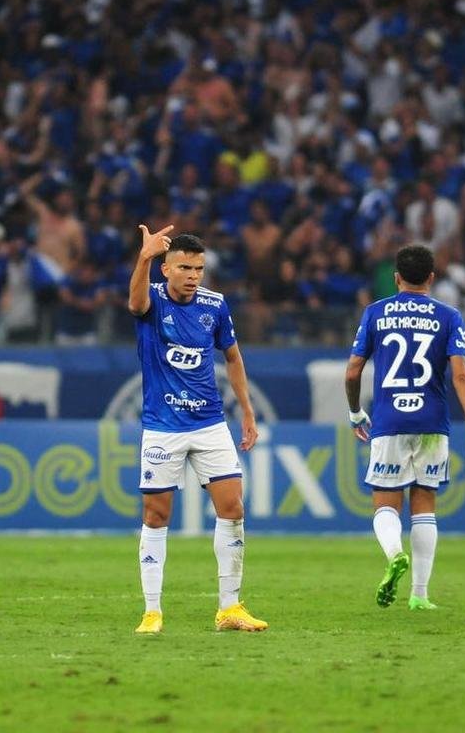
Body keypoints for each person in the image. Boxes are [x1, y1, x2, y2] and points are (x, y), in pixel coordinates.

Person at [127, 225, 265, 635]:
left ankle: (230, 609)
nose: (192, 275)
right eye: (184, 267)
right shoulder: (151, 298)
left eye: (199, 269)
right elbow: (134, 302)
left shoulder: (215, 305)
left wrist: (248, 411)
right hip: (163, 427)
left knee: (233, 509)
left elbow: (233, 358)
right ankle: (152, 611)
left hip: (209, 424)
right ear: (166, 269)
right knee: (156, 515)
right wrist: (143, 257)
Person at [344, 243, 465, 612]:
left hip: (389, 421)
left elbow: (353, 370)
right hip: (431, 421)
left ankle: (394, 555)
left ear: (396, 278)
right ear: (432, 278)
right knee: (424, 506)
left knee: (385, 504)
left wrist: (355, 411)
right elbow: (461, 375)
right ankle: (420, 595)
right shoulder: (449, 316)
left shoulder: (375, 313)